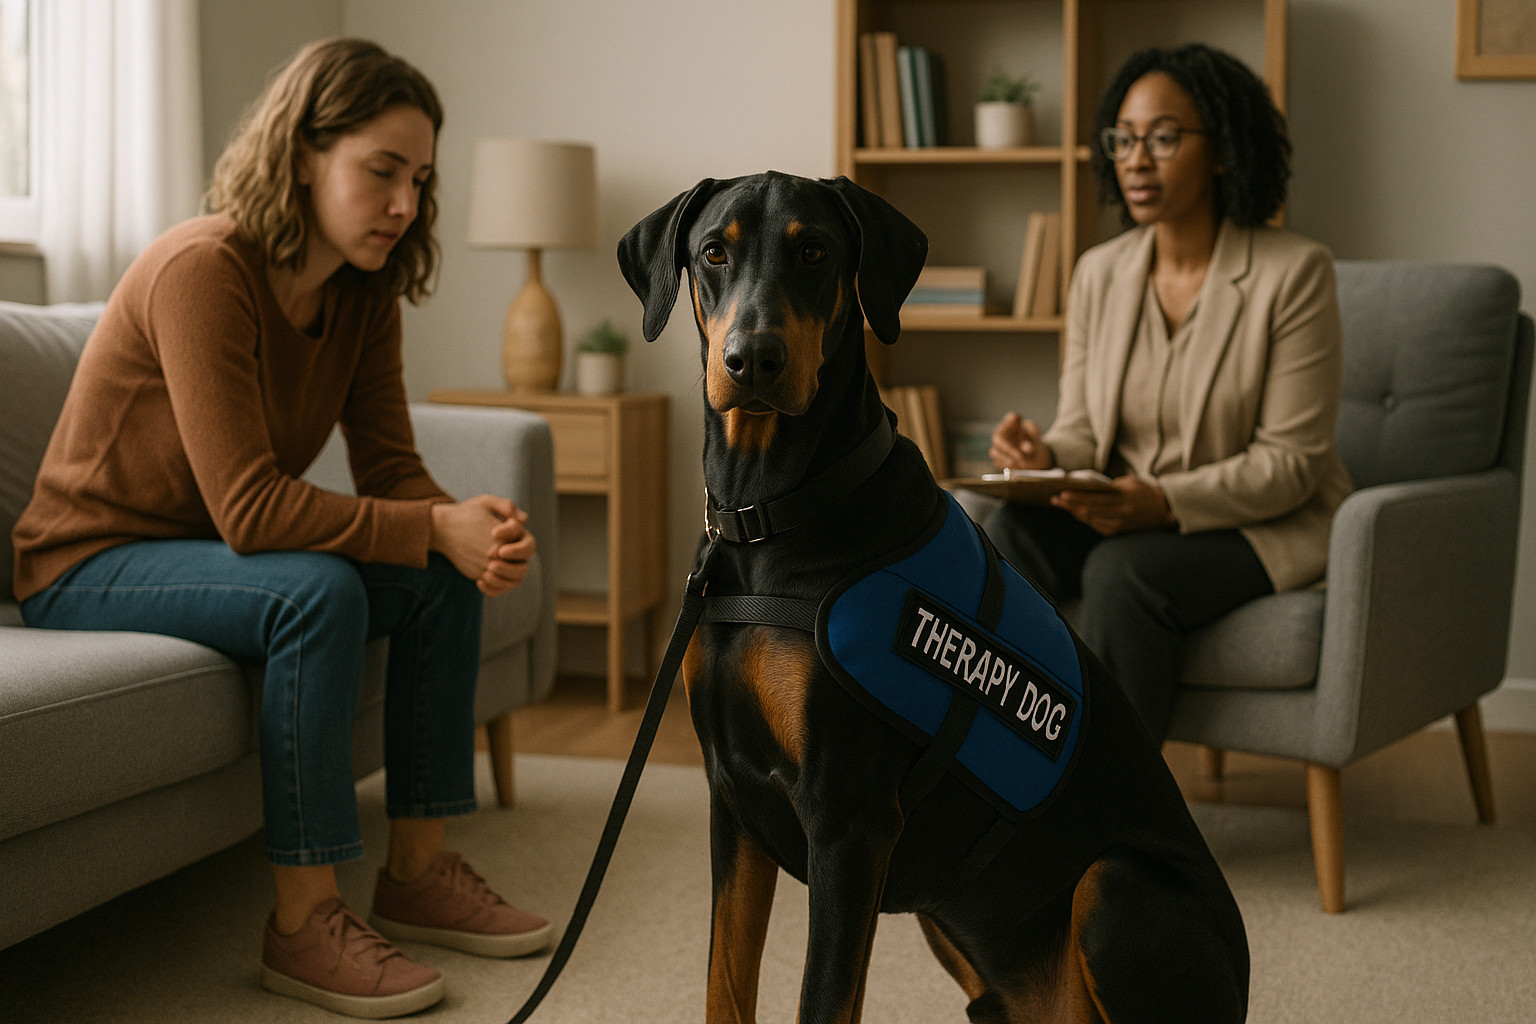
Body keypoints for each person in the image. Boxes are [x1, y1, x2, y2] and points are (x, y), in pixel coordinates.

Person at [11, 37, 551, 1018]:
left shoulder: (364, 287)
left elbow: (390, 467)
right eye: (380, 171)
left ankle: (418, 871)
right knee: (320, 589)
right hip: (86, 560)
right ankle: (303, 923)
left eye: (419, 181)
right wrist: (430, 521)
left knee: (439, 573)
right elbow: (251, 510)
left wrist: (466, 529)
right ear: (302, 152)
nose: (403, 205)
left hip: (204, 555)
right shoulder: (203, 269)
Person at [981, 43, 1353, 743]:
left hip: (1261, 521)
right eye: (1123, 140)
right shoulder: (1099, 272)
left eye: (1163, 138)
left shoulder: (1296, 272)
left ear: (1220, 149)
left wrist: (1164, 502)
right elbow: (1086, 431)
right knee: (1009, 535)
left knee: (1126, 573)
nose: (1136, 159)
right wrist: (1041, 453)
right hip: (1129, 503)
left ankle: (1117, 812)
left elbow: (1293, 463)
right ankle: (1010, 764)